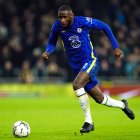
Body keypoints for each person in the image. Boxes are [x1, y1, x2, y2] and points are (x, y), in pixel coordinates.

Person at [42, 5, 135, 133]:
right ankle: (123, 105)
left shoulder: (82, 21)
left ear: (71, 16)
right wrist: (48, 51)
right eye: (60, 17)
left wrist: (115, 47)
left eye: (64, 17)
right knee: (99, 99)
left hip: (90, 61)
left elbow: (104, 26)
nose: (62, 20)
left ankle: (88, 122)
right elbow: (52, 42)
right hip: (76, 67)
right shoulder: (57, 26)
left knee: (77, 84)